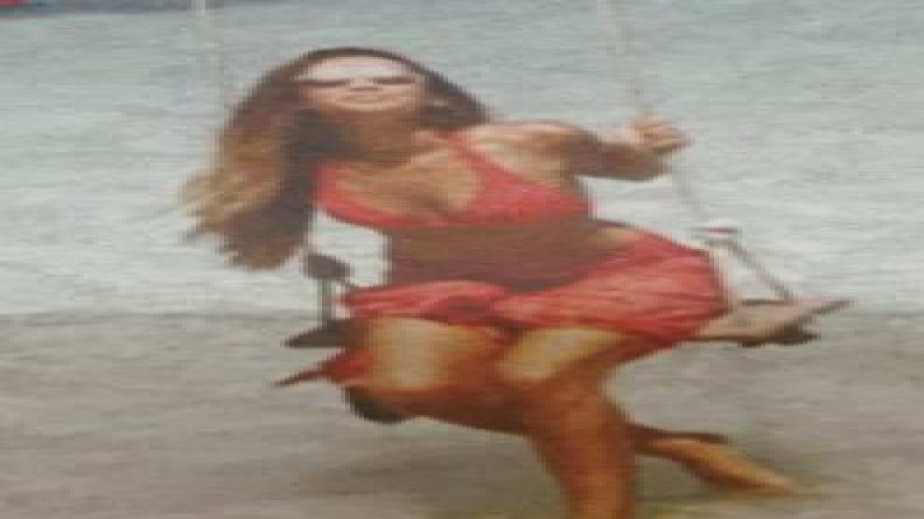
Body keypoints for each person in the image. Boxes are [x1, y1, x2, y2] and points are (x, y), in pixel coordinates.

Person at [183, 47, 797, 519]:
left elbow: (630, 167)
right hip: (445, 286)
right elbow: (244, 214)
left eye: (390, 77)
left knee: (539, 376)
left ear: (429, 95)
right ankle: (681, 447)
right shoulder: (304, 168)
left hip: (613, 276)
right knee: (404, 386)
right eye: (333, 81)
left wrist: (648, 148)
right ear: (300, 102)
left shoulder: (526, 142)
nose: (364, 84)